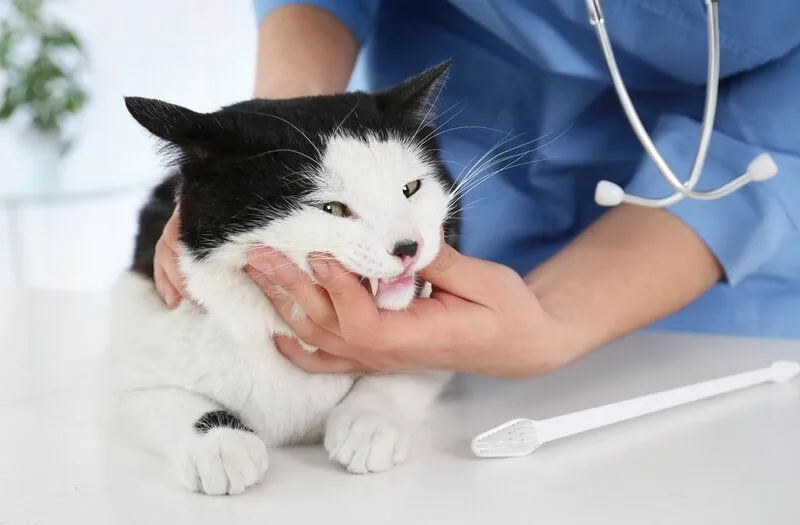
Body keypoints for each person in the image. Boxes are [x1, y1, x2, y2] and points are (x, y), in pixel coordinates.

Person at [153, 0, 800, 377]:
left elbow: (775, 140)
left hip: (713, 299)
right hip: (441, 186)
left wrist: (554, 321)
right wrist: (284, 144)